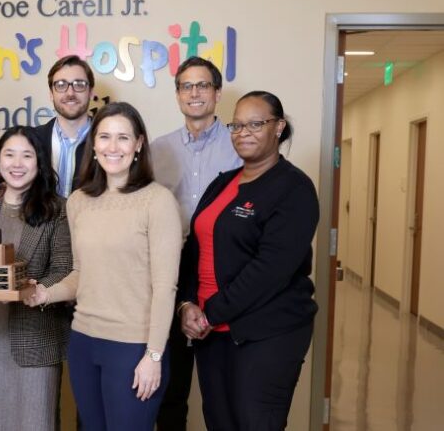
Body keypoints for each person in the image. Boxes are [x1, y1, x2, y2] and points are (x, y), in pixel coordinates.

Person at [27, 102, 182, 431]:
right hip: (84, 342)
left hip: (134, 347)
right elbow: (81, 273)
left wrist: (153, 355)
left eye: (123, 138)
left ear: (138, 144)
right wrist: (44, 294)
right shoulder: (79, 201)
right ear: (93, 145)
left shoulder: (158, 201)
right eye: (105, 137)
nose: (113, 147)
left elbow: (165, 288)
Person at [177, 91, 319, 430]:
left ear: (278, 127)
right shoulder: (223, 183)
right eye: (237, 125)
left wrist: (211, 312)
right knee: (219, 422)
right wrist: (187, 304)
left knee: (255, 422)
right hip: (211, 333)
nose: (243, 133)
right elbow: (194, 249)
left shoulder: (294, 188)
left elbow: (270, 270)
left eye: (255, 124)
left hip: (266, 333)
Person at [0, 126, 72, 431]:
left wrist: (36, 289)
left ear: (39, 162)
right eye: (9, 154)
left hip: (35, 341)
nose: (17, 164)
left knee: (35, 423)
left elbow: (63, 269)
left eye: (27, 156)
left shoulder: (57, 209)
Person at [150, 56, 242, 430]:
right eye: (186, 86)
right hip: (171, 270)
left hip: (226, 270)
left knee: (224, 393)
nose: (194, 93)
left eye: (202, 85)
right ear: (177, 95)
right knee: (171, 392)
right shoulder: (158, 149)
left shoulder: (239, 144)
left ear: (217, 93)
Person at [35, 55, 95, 197]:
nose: (70, 93)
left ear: (91, 92)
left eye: (79, 84)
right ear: (51, 94)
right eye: (61, 85)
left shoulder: (109, 144)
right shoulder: (32, 140)